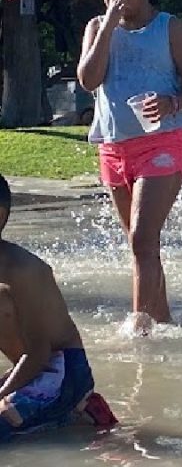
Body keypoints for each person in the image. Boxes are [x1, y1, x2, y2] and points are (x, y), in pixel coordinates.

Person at [77, 0, 182, 327]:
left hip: (161, 143)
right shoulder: (97, 28)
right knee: (142, 247)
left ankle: (139, 330)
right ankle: (162, 321)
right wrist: (107, 28)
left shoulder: (170, 28)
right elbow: (88, 80)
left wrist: (173, 102)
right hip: (114, 147)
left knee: (141, 241)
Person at [0, 175, 118, 442]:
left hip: (62, 368)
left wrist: (2, 393)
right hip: (30, 367)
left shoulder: (23, 270)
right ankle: (75, 412)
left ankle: (74, 400)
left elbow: (39, 351)